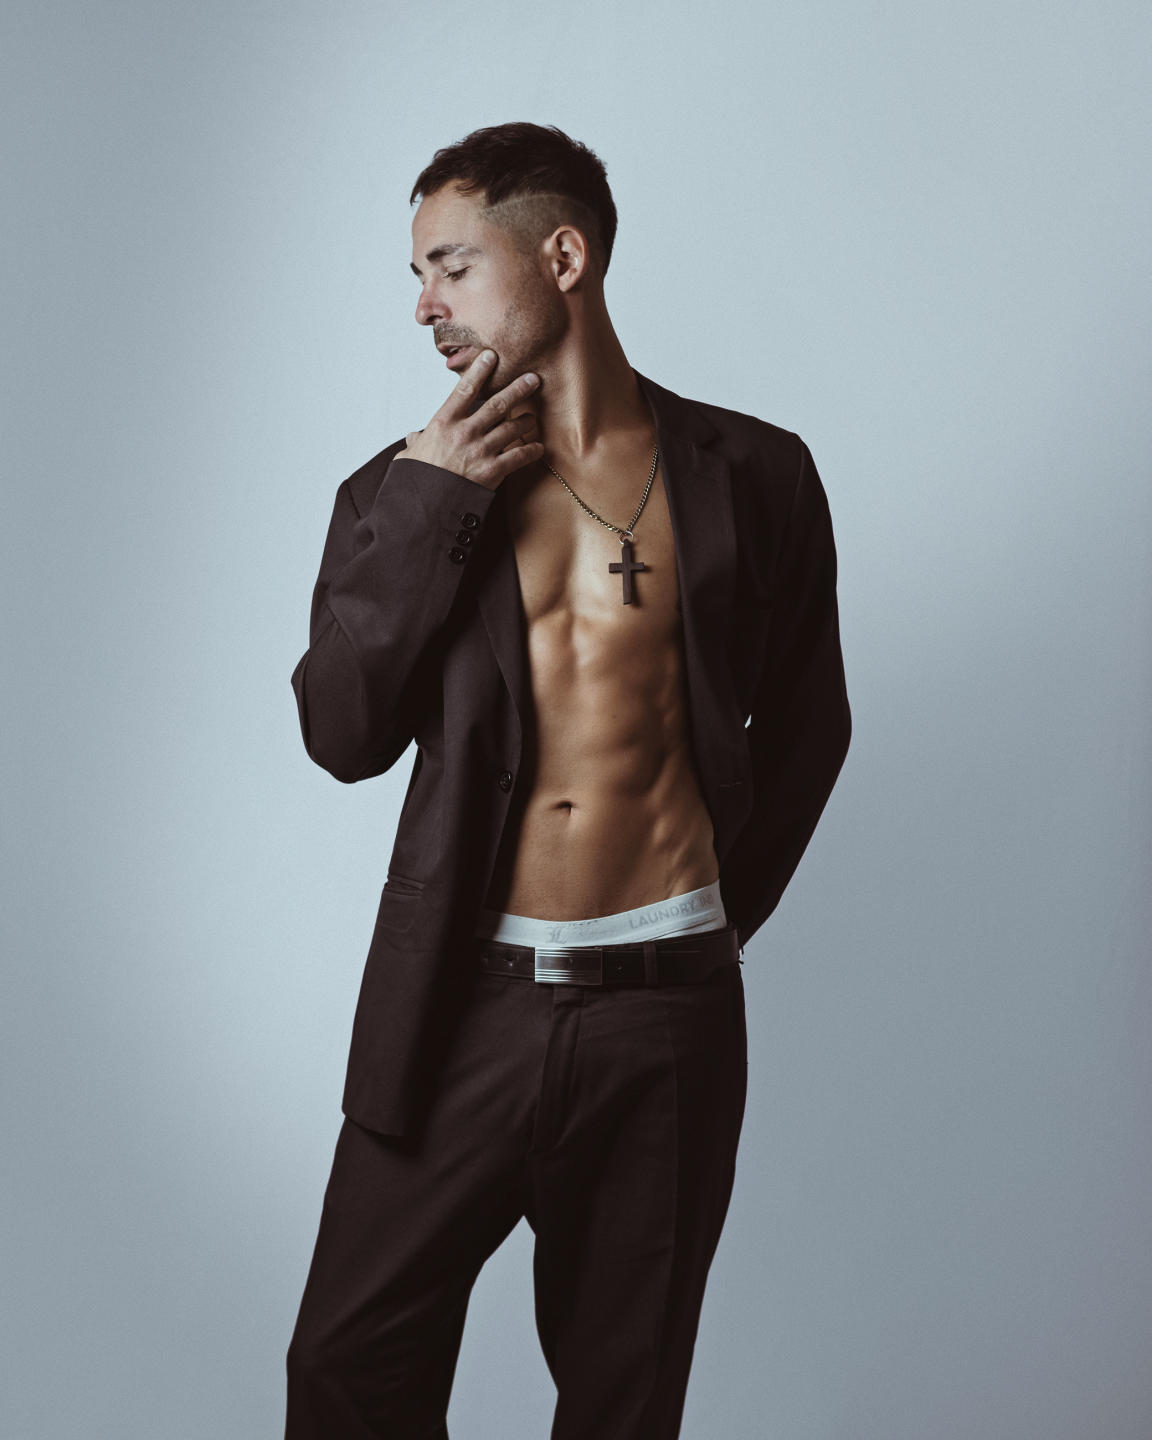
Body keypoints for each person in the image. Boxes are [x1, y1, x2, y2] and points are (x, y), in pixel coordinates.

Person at [284, 121, 850, 1440]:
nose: (424, 305)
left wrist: (708, 919)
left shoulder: (754, 475)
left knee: (623, 1401)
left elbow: (809, 726)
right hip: (462, 1008)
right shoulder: (395, 494)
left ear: (563, 256)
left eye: (451, 267)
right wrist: (428, 510)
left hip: (668, 1020)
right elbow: (341, 734)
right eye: (418, 277)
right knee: (346, 1370)